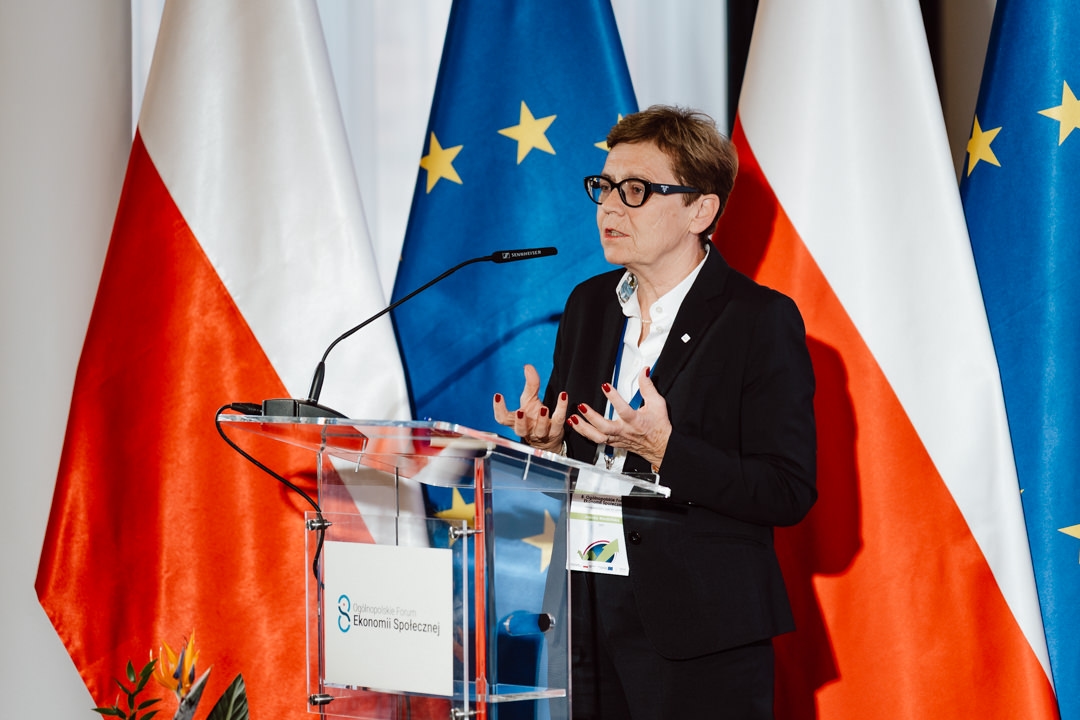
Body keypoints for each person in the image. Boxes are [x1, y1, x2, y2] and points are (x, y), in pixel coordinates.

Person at [493, 105, 817, 719]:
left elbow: (787, 490)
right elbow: (582, 450)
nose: (609, 208)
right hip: (582, 606)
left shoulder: (758, 320)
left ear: (701, 210)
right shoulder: (589, 304)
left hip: (698, 628)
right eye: (604, 186)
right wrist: (550, 444)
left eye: (636, 190)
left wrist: (667, 453)